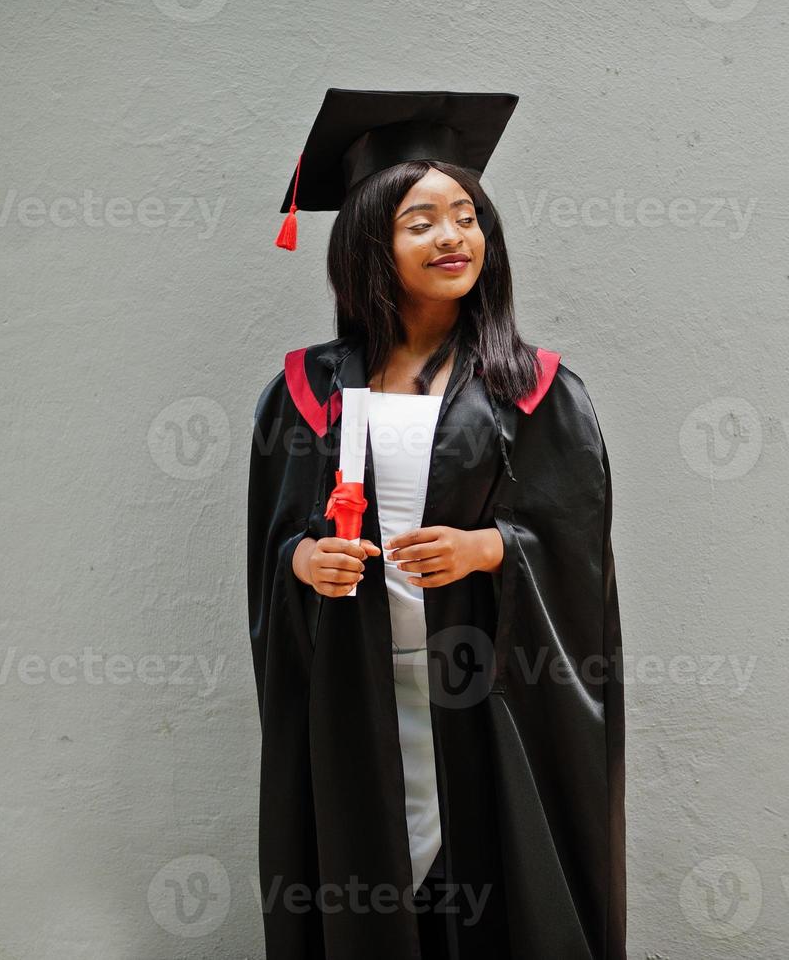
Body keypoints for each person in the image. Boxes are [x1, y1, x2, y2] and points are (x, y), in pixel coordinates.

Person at [248, 88, 625, 959]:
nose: (453, 237)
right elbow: (274, 544)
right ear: (369, 246)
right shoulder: (305, 393)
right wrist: (304, 562)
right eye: (421, 222)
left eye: (467, 216)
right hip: (357, 689)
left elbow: (575, 543)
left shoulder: (534, 388)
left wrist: (487, 547)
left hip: (485, 688)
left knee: (492, 890)